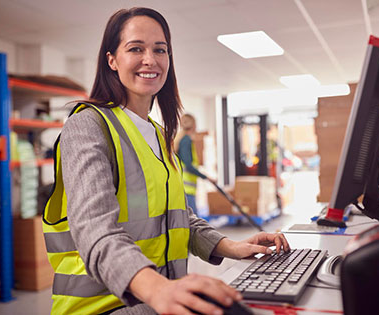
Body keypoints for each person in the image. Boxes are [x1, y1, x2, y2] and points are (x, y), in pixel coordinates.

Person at [42, 7, 290, 315]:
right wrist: (160, 289)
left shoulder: (159, 135)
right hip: (103, 306)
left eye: (160, 50)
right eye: (136, 48)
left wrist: (231, 247)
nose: (150, 59)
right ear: (112, 60)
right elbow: (95, 230)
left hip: (156, 296)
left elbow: (177, 218)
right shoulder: (87, 126)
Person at [174, 113, 208, 214]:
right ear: (193, 125)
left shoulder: (181, 140)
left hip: (184, 189)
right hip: (186, 190)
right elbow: (188, 165)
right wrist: (205, 176)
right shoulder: (186, 141)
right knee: (194, 221)